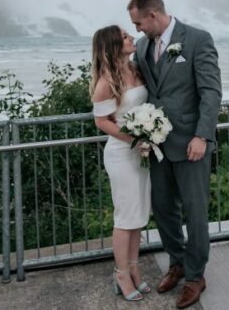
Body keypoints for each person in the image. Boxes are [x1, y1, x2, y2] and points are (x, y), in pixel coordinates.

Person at [127, 0, 222, 309]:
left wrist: (203, 136)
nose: (137, 29)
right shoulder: (141, 47)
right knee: (164, 209)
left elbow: (210, 92)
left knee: (195, 213)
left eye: (139, 22)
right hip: (157, 146)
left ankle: (196, 276)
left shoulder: (197, 39)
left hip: (191, 144)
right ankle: (177, 263)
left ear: (153, 15)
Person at [90, 25, 152, 302]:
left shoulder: (136, 69)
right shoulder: (106, 82)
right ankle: (121, 274)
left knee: (138, 215)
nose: (131, 38)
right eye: (125, 36)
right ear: (114, 45)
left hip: (140, 151)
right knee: (125, 217)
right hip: (121, 153)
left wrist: (148, 134)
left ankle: (135, 269)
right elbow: (102, 121)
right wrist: (133, 139)